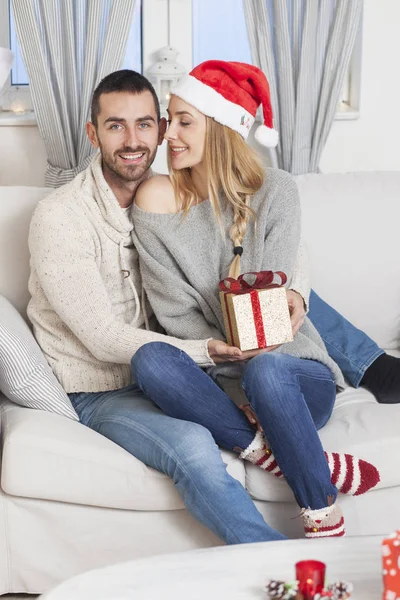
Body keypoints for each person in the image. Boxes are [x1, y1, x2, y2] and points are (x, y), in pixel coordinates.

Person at [26, 68, 390, 546]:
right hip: (117, 383)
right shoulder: (65, 217)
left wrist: (295, 292)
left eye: (150, 123)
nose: (136, 139)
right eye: (115, 125)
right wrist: (214, 353)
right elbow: (103, 335)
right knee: (178, 408)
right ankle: (278, 559)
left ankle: (323, 487)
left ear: (159, 129)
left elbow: (287, 252)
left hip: (230, 369)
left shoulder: (205, 191)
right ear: (93, 133)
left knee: (263, 365)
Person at [130, 60, 381, 538]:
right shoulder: (155, 200)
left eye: (185, 121)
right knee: (149, 360)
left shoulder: (277, 191)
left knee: (267, 369)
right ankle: (282, 455)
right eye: (170, 119)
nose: (169, 135)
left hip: (294, 373)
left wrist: (288, 303)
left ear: (221, 128)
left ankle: (323, 516)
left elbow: (275, 303)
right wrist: (224, 360)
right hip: (217, 382)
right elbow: (174, 314)